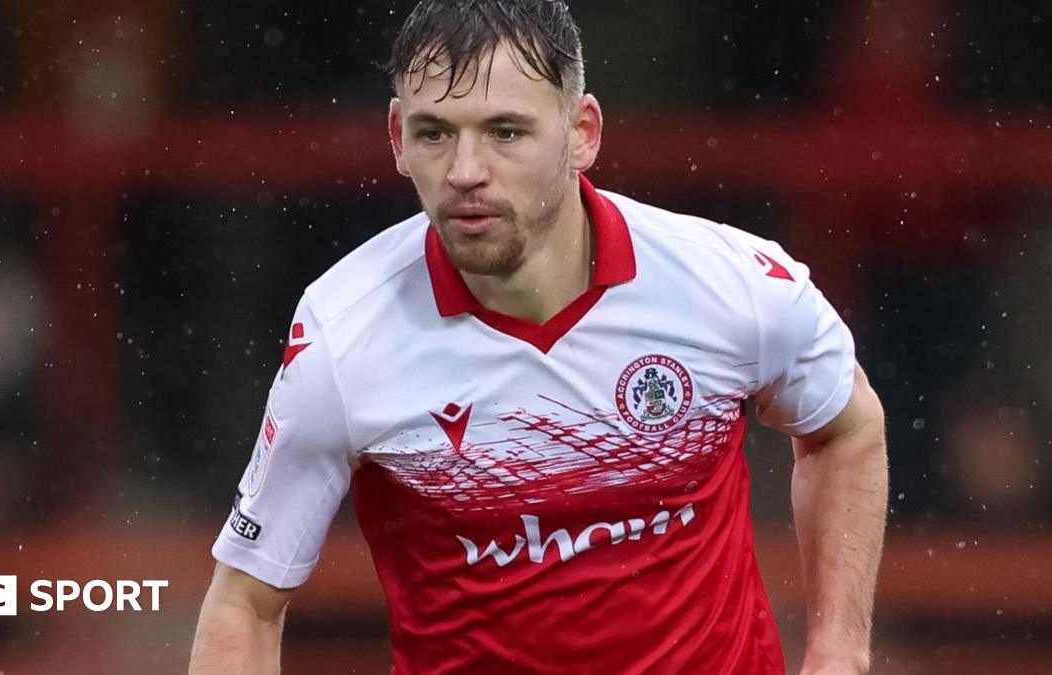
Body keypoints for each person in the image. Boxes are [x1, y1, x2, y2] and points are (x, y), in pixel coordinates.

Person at [189, 2, 888, 673]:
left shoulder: (730, 284)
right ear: (398, 137)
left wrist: (838, 656)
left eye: (505, 132)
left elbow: (845, 428)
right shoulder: (344, 334)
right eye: (435, 133)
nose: (465, 171)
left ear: (582, 131)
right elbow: (245, 602)